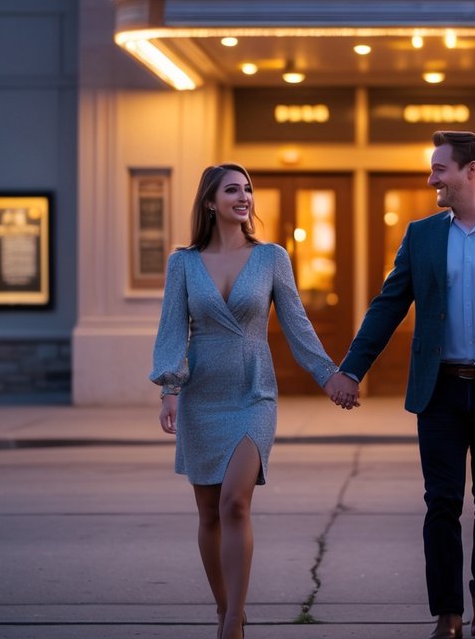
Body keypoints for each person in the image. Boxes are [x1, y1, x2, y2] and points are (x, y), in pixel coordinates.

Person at [334, 131, 475, 639]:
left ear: (471, 172)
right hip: (438, 390)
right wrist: (351, 369)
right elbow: (388, 304)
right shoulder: (422, 235)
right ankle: (448, 613)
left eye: (440, 168)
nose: (431, 178)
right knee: (440, 501)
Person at [150, 163, 359, 639]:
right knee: (208, 513)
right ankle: (228, 608)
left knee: (234, 503)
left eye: (247, 190)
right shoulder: (183, 263)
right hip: (202, 395)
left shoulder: (271, 258)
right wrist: (170, 389)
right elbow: (171, 331)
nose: (244, 197)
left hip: (253, 392)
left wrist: (329, 376)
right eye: (232, 190)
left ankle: (230, 624)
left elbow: (296, 323)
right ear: (210, 202)